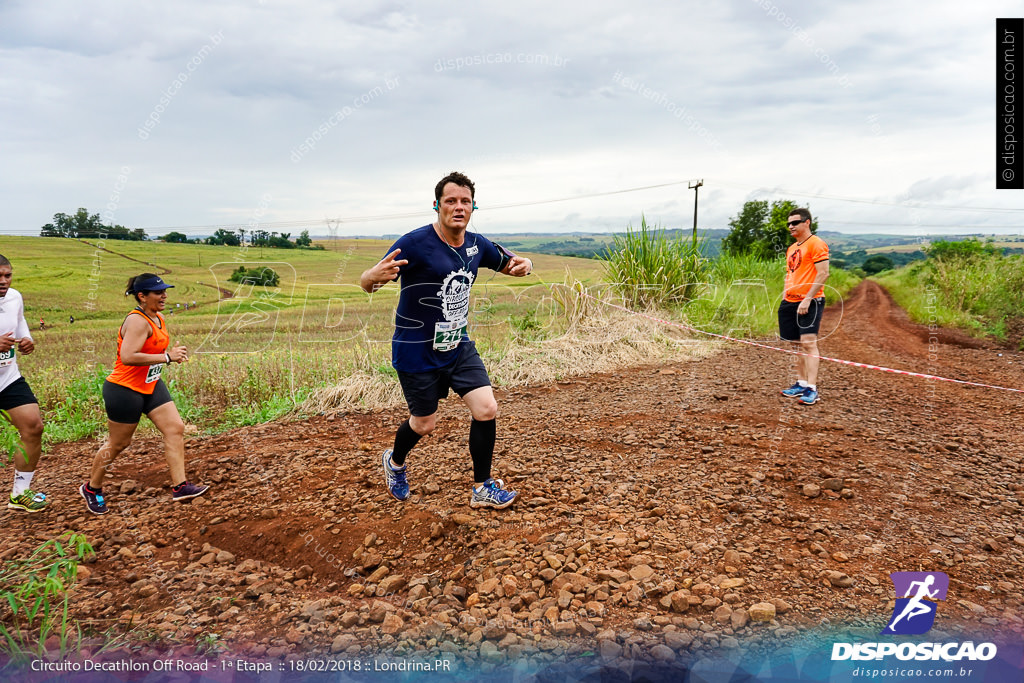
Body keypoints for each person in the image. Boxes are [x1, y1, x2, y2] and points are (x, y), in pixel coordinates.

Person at [360, 171, 532, 509]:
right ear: (437, 205)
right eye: (450, 201)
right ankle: (394, 462)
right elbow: (370, 281)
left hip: (457, 344)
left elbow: (511, 263)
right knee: (424, 423)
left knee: (487, 409)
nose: (458, 207)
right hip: (416, 349)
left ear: (473, 207)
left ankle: (482, 487)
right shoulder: (413, 243)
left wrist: (526, 264)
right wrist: (368, 278)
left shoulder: (477, 244)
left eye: (465, 201)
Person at [80, 274, 209, 514]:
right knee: (119, 443)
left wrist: (169, 353)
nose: (164, 296)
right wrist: (167, 357)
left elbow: (151, 349)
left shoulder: (157, 317)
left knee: (175, 428)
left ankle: (180, 486)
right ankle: (92, 488)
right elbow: (128, 356)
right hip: (124, 389)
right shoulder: (137, 321)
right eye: (158, 292)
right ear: (142, 296)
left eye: (164, 291)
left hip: (150, 384)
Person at [0, 255, 48, 512]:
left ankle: (20, 493)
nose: (4, 281)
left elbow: (18, 321)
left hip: (7, 377)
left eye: (7, 275)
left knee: (33, 426)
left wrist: (26, 338)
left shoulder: (14, 297)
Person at [778, 208, 830, 405]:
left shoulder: (817, 244)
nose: (791, 226)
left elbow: (823, 273)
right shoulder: (792, 248)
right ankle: (800, 383)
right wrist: (785, 295)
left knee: (808, 343)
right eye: (789, 223)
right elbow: (789, 273)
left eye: (795, 222)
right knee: (795, 344)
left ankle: (811, 388)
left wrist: (807, 299)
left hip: (810, 300)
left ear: (807, 222)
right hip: (789, 301)